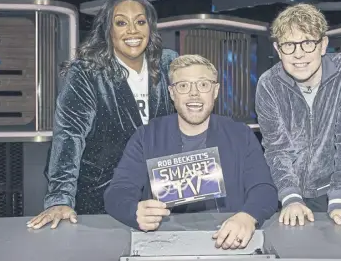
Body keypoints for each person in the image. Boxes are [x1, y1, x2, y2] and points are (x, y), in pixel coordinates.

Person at [26, 0, 178, 230]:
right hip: (99, 198)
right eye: (121, 22)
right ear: (108, 29)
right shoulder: (87, 72)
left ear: (150, 26)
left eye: (140, 21)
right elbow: (69, 135)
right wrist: (60, 197)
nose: (132, 31)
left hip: (156, 198)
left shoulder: (169, 63)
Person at [104, 55, 278, 250]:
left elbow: (264, 189)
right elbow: (117, 192)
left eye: (203, 85)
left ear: (216, 91)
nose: (194, 94)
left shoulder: (240, 135)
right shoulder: (147, 137)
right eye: (184, 86)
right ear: (172, 93)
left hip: (229, 244)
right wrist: (134, 211)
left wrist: (248, 216)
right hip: (162, 245)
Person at [255, 3, 341, 229]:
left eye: (308, 42)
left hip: (332, 191)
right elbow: (276, 148)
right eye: (289, 45)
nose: (299, 53)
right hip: (283, 190)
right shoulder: (268, 84)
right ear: (278, 49)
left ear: (323, 45)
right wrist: (290, 197)